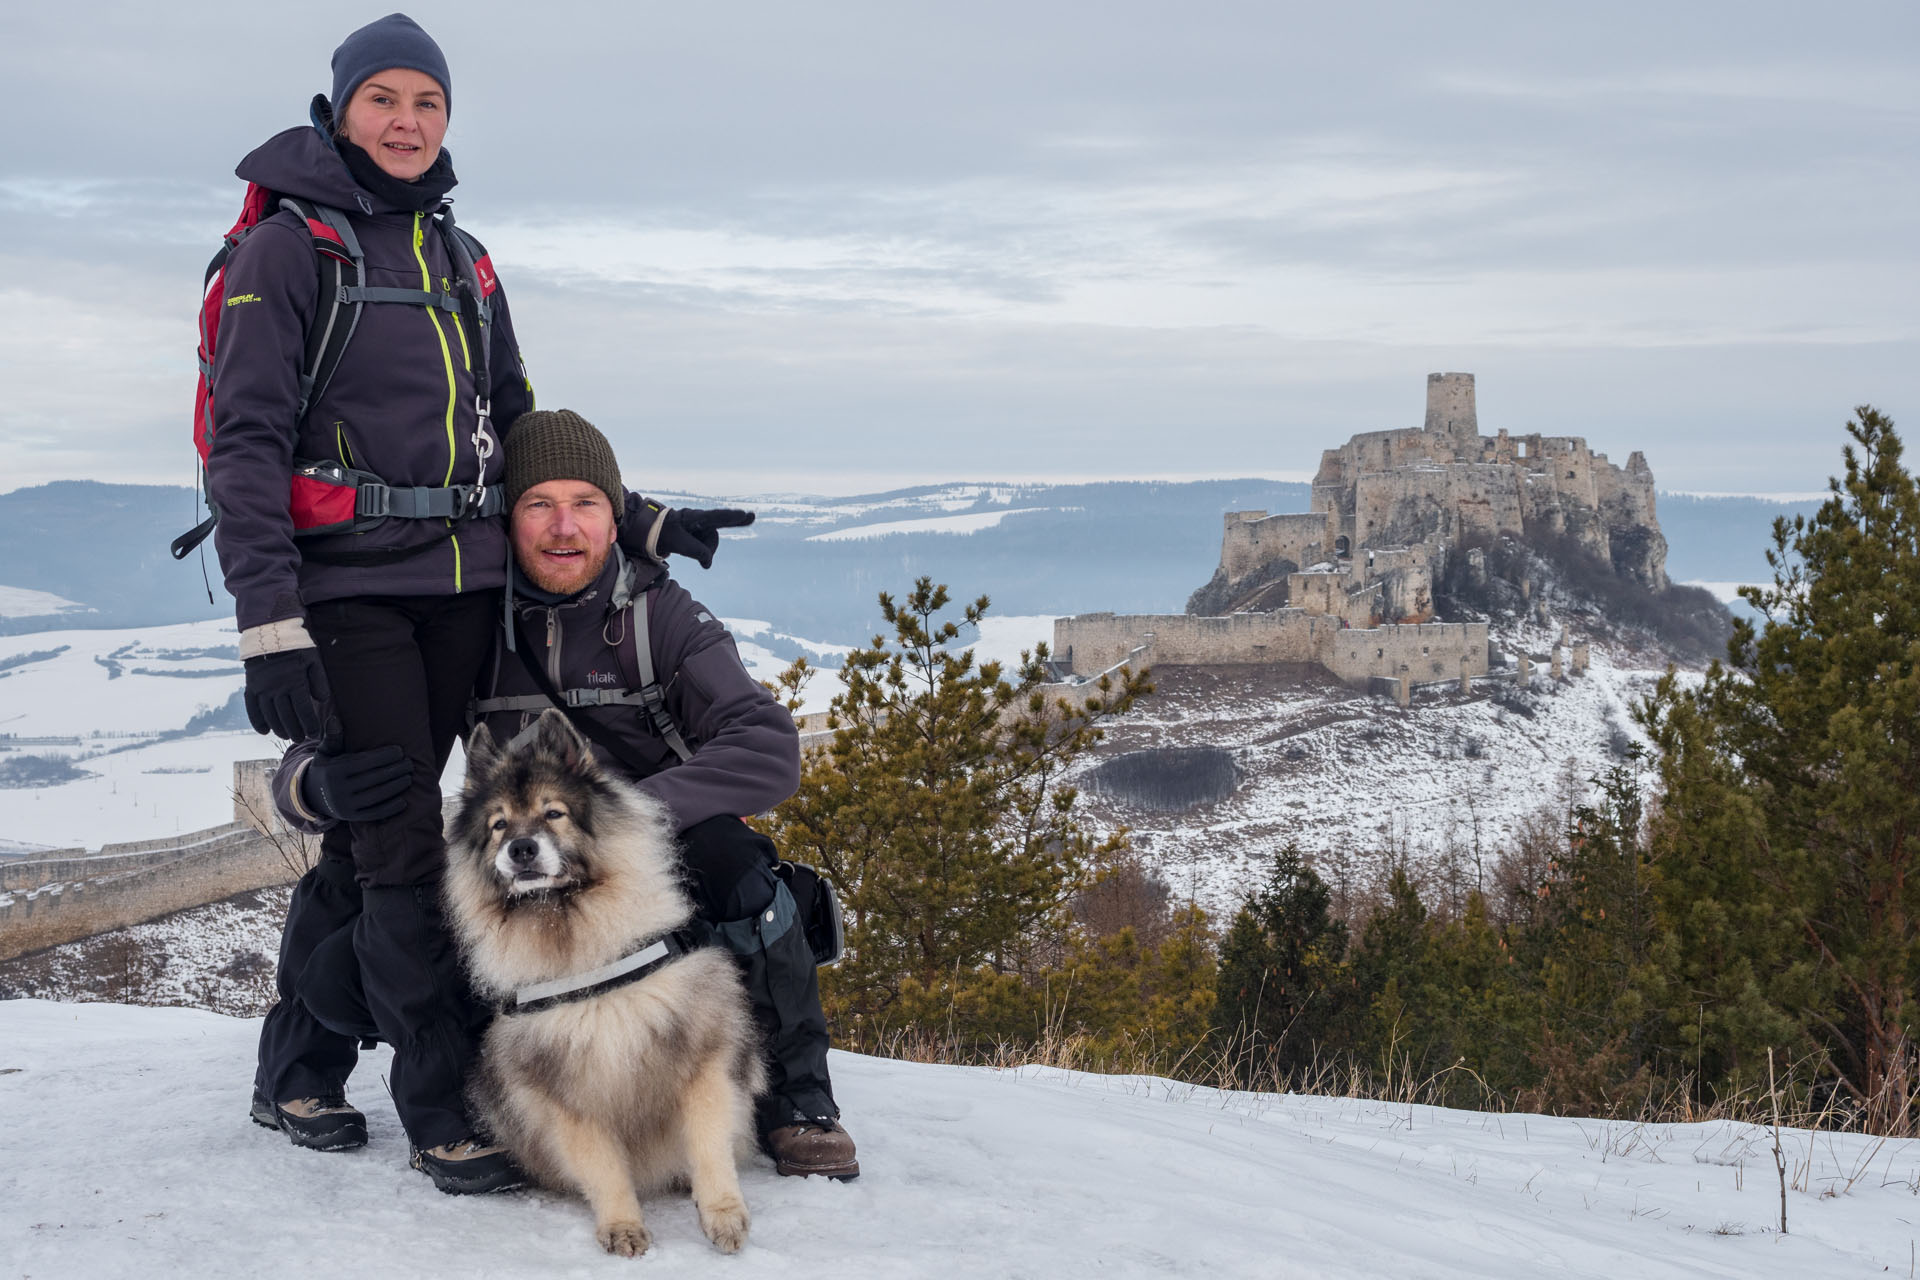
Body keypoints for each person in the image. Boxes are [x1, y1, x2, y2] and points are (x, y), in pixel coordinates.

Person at [215, 16, 740, 1193]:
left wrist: (639, 517)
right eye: (384, 100)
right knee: (402, 851)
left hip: (467, 588)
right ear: (340, 107)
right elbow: (244, 446)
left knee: (372, 831)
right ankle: (443, 1104)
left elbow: (518, 422)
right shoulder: (288, 251)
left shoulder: (464, 256)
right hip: (350, 592)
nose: (407, 122)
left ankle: (291, 1068)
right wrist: (270, 622)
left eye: (428, 104)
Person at [273, 409, 859, 1180]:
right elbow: (324, 754)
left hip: (652, 880)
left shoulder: (660, 615)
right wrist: (315, 783)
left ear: (615, 518)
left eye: (585, 503)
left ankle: (800, 1103)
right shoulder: (469, 628)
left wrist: (621, 821)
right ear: (504, 521)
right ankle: (305, 1072)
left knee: (739, 866)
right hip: (520, 884)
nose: (563, 527)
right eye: (537, 504)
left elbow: (768, 746)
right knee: (356, 905)